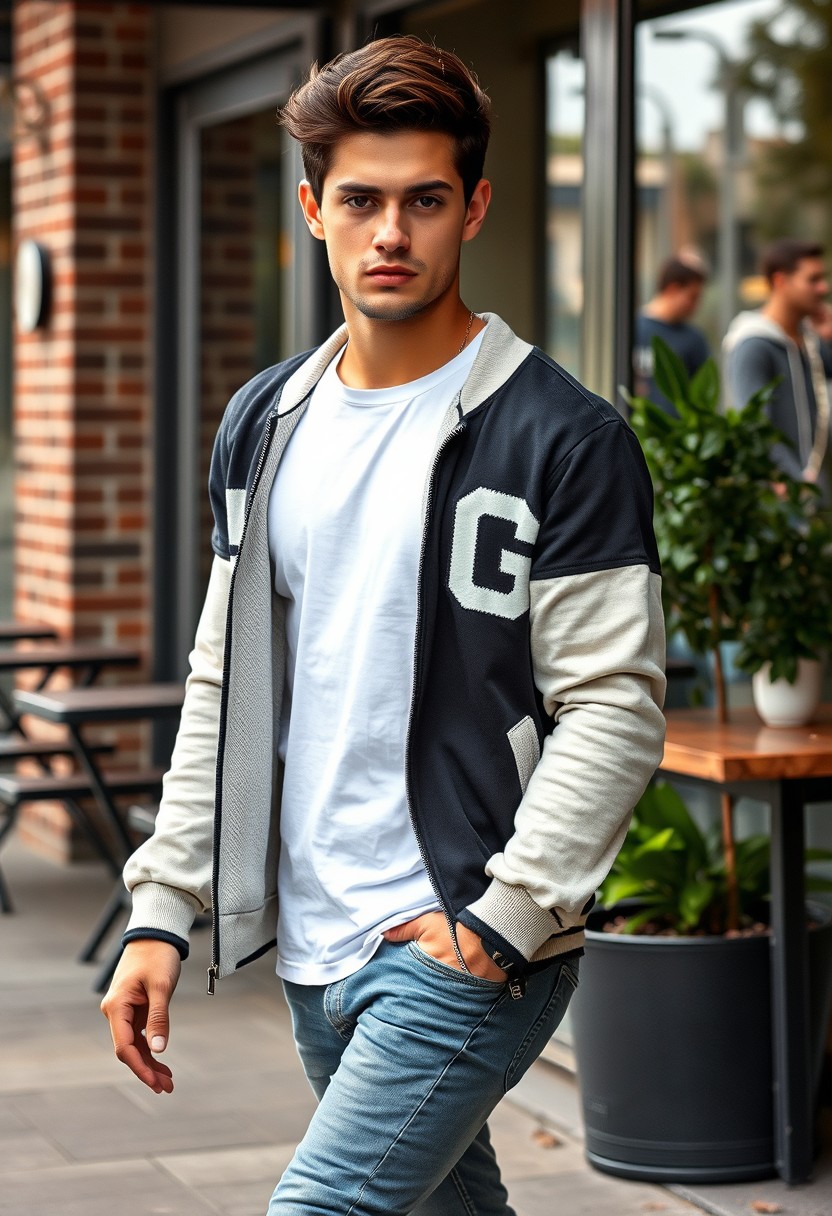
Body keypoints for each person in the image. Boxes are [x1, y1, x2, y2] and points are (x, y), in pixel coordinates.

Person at [101, 36, 666, 1216]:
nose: (390, 233)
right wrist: (164, 905)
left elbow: (611, 707)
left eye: (424, 200)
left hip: (465, 937)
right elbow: (225, 680)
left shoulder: (564, 438)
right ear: (313, 209)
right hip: (316, 936)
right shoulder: (265, 422)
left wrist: (502, 921)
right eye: (359, 200)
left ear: (475, 207)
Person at [723, 238, 830, 487]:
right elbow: (755, 430)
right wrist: (796, 488)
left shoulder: (809, 341)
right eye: (813, 279)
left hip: (812, 502)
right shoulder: (753, 346)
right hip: (778, 508)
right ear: (781, 281)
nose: (823, 288)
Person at [633, 253, 710, 414]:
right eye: (692, 297)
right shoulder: (631, 330)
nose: (695, 306)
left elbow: (703, 396)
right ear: (672, 289)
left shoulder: (694, 339)